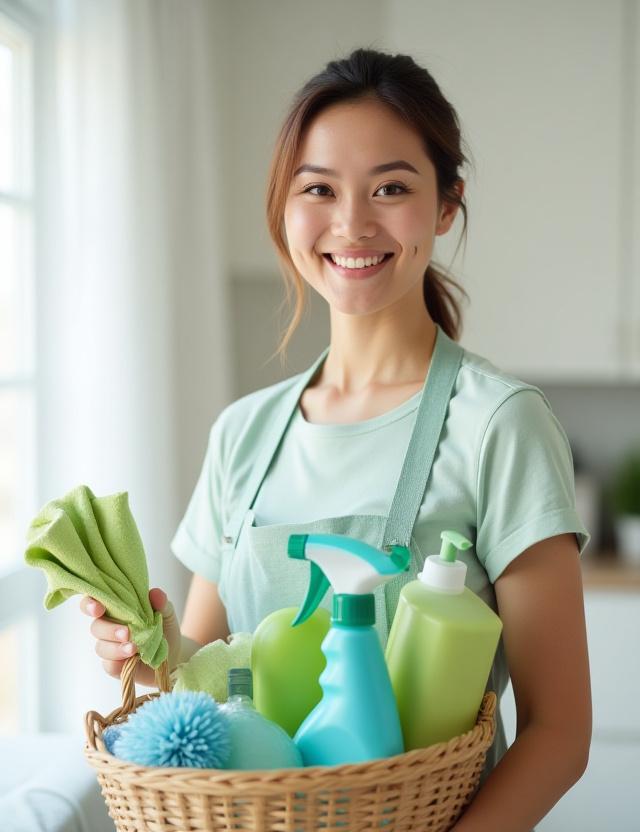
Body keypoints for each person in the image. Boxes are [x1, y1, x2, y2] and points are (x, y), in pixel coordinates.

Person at [80, 48, 591, 831]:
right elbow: (211, 681)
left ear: (447, 205)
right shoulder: (243, 433)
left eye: (391, 188)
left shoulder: (500, 423)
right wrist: (154, 655)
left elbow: (559, 733)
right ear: (285, 210)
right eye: (318, 189)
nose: (352, 223)